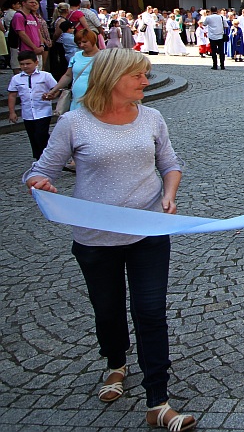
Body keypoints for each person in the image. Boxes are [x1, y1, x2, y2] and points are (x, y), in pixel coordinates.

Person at [24, 48, 195, 432]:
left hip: (148, 232)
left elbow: (170, 163)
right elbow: (39, 171)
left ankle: (158, 401)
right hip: (95, 238)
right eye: (139, 76)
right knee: (109, 311)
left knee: (150, 313)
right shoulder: (74, 123)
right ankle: (115, 364)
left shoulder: (152, 117)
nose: (146, 82)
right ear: (114, 78)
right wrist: (40, 183)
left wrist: (170, 192)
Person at [8, 50, 58, 158]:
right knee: (32, 136)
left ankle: (48, 155)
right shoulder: (16, 79)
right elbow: (12, 95)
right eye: (22, 64)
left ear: (36, 63)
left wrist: (51, 95)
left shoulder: (45, 76)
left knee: (41, 134)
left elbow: (56, 89)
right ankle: (39, 157)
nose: (25, 66)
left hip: (43, 111)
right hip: (27, 113)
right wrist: (12, 112)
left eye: (28, 63)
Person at [45, 28, 101, 113]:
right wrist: (54, 89)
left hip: (95, 101)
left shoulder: (104, 57)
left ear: (93, 40)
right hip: (76, 100)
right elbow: (68, 75)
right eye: (79, 43)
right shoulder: (76, 56)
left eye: (85, 42)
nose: (81, 45)